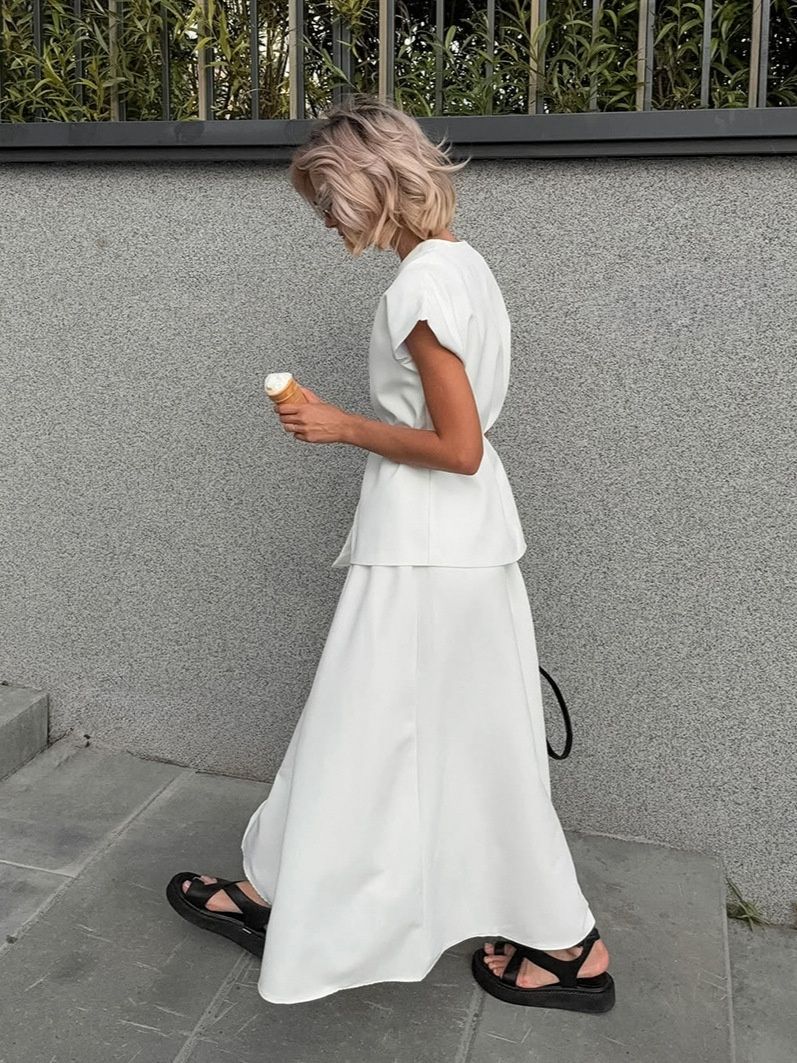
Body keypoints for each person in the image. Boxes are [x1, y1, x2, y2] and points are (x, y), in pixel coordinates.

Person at [166, 92, 614, 1013]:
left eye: (328, 197)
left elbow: (458, 448)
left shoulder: (416, 286)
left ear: (375, 183)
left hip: (426, 554)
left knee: (375, 729)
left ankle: (568, 945)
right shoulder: (466, 266)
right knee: (429, 736)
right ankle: (274, 891)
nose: (325, 220)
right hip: (461, 549)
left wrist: (339, 425)